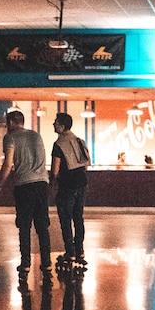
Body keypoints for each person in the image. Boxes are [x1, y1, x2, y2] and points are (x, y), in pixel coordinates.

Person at [0, 110, 51, 277]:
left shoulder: (10, 137)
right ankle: (47, 264)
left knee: (25, 226)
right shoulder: (36, 135)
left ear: (12, 122)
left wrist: (0, 184)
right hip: (42, 184)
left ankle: (26, 264)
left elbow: (8, 163)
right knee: (42, 226)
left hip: (24, 185)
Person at [50, 112, 90, 268]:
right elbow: (86, 164)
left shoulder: (58, 144)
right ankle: (80, 251)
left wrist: (52, 183)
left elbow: (54, 170)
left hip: (67, 185)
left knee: (65, 218)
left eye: (55, 122)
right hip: (82, 183)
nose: (53, 124)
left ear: (61, 125)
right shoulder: (80, 141)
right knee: (78, 217)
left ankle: (70, 252)